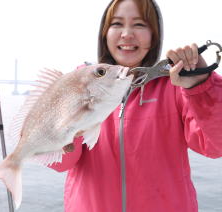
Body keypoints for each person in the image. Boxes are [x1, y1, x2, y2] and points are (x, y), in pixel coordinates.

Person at [49, 0, 222, 212]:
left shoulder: (176, 86)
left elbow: (216, 147)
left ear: (154, 36)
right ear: (104, 34)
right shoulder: (80, 83)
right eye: (117, 24)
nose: (127, 34)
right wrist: (70, 127)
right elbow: (60, 163)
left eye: (139, 24)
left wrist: (201, 86)